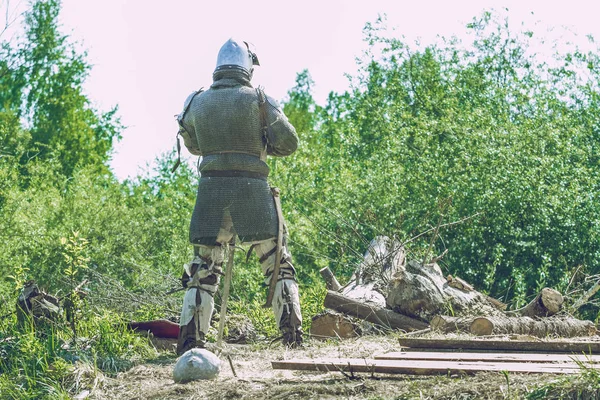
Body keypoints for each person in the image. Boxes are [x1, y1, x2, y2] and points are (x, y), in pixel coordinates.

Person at [175, 38, 303, 355]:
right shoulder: (260, 100)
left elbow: (194, 146)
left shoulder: (197, 102)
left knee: (202, 269)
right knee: (278, 265)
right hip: (252, 191)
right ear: (246, 66)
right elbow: (289, 143)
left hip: (211, 193)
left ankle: (191, 342)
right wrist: (261, 144)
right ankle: (292, 338)